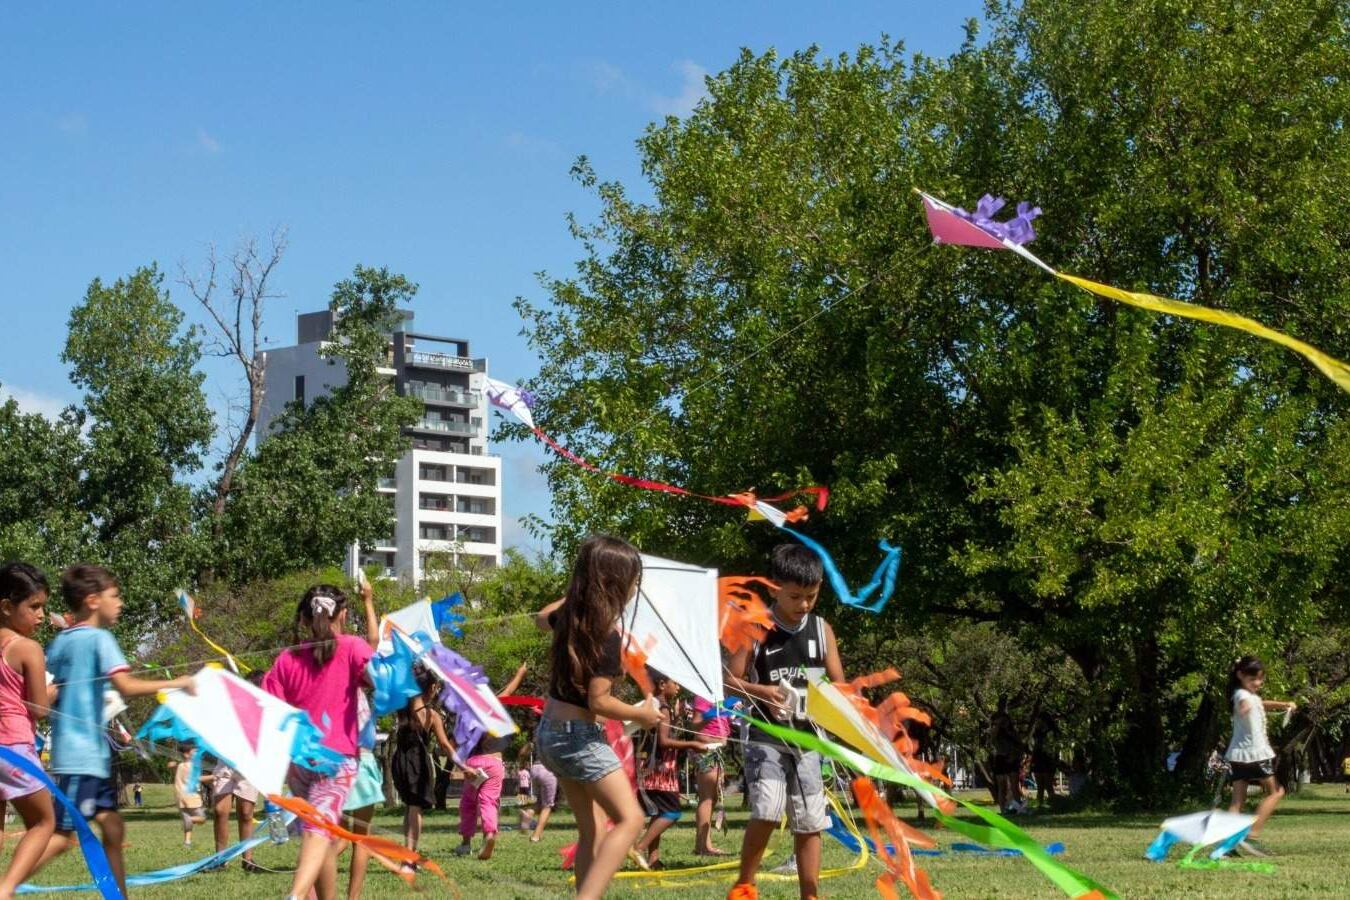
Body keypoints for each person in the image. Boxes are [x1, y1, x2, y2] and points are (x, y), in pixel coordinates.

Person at [32, 564, 195, 899]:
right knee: (63, 837)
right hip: (81, 758)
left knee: (113, 827)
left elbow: (47, 694)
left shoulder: (61, 642)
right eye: (114, 596)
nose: (120, 603)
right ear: (93, 600)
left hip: (89, 755)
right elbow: (125, 685)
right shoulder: (100, 638)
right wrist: (179, 682)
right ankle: (6, 884)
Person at [533, 535, 662, 900]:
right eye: (633, 579)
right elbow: (600, 700)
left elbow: (540, 617)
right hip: (578, 737)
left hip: (551, 734)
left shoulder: (570, 619)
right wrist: (642, 713)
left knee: (591, 830)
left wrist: (579, 590)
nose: (636, 587)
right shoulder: (606, 636)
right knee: (632, 818)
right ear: (616, 584)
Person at [724, 544, 846, 900]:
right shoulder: (755, 628)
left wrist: (843, 706)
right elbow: (729, 680)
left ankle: (811, 894)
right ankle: (746, 884)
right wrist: (761, 691)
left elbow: (840, 686)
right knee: (767, 808)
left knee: (810, 820)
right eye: (795, 596)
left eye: (812, 595)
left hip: (808, 738)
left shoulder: (822, 631)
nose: (804, 604)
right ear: (773, 588)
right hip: (765, 735)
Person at [261, 584, 374, 900]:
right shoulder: (352, 646)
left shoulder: (286, 658)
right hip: (335, 762)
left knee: (320, 834)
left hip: (298, 764)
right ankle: (296, 895)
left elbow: (269, 712)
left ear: (305, 616)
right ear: (344, 614)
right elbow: (382, 678)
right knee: (319, 831)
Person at [0, 563, 58, 900]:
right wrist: (55, 690)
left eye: (43, 607)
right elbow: (39, 709)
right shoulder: (27, 648)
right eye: (34, 606)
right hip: (13, 747)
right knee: (43, 823)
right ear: (7, 607)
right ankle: (5, 890)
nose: (41, 615)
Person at [634, 673, 714, 870]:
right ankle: (639, 848)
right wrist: (693, 744)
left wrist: (676, 718)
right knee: (672, 812)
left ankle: (654, 860)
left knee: (659, 813)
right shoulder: (662, 707)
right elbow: (664, 741)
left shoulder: (656, 704)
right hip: (659, 771)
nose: (678, 687)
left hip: (652, 768)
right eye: (675, 682)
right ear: (662, 684)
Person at [454, 661, 528, 860]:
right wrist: (520, 673)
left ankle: (465, 843)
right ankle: (489, 834)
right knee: (488, 801)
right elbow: (510, 690)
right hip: (494, 764)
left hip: (474, 764)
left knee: (469, 803)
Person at [1225, 655, 1295, 857]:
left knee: (1237, 801)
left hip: (1237, 755)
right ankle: (1251, 836)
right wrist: (1244, 708)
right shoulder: (1241, 696)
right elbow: (1245, 703)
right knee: (1276, 792)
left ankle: (1228, 848)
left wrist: (1284, 705)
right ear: (1240, 675)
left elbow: (1261, 703)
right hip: (1255, 753)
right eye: (1252, 679)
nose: (1257, 683)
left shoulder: (1248, 695)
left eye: (1260, 679)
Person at [391, 665, 460, 852]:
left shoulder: (401, 709)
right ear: (431, 688)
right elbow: (445, 746)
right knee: (416, 808)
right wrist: (464, 766)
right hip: (418, 763)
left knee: (409, 806)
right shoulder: (432, 715)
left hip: (399, 760)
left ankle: (407, 851)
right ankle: (410, 856)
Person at [690, 692, 730, 855]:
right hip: (706, 751)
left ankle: (703, 844)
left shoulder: (724, 698)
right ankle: (703, 846)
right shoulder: (704, 696)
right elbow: (695, 726)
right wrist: (712, 712)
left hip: (716, 750)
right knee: (707, 798)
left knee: (711, 798)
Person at [170, 744, 209, 847]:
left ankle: (187, 842)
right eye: (194, 752)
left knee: (188, 821)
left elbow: (172, 767)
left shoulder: (180, 765)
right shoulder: (192, 766)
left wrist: (172, 765)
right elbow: (198, 778)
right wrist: (214, 777)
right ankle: (190, 820)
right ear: (186, 755)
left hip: (180, 798)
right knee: (202, 818)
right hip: (191, 797)